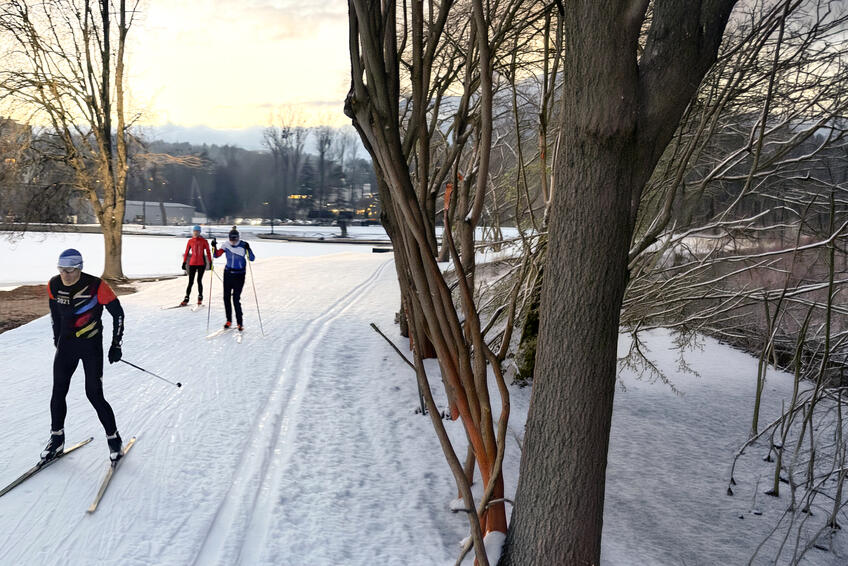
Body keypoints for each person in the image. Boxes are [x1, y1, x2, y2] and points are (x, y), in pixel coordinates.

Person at [43, 249, 125, 462]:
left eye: (70, 270)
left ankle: (114, 438)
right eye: (61, 269)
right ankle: (57, 439)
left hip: (91, 348)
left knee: (94, 394)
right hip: (66, 347)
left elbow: (118, 314)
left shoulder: (97, 285)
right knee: (58, 392)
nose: (65, 274)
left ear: (79, 268)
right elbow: (55, 315)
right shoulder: (54, 284)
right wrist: (57, 339)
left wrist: (116, 344)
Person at [211, 226, 255, 331]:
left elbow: (252, 258)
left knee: (235, 299)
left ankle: (240, 323)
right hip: (228, 274)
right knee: (226, 298)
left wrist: (249, 249)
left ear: (238, 238)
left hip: (239, 275)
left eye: (235, 239)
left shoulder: (243, 245)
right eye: (231, 239)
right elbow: (216, 255)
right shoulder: (226, 245)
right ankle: (229, 320)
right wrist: (213, 246)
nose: (233, 241)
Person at [181, 224, 212, 306]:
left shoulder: (204, 241)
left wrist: (210, 262)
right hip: (192, 263)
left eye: (197, 231)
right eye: (195, 231)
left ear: (200, 232)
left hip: (201, 264)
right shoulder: (190, 241)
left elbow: (208, 252)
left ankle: (200, 297)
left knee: (199, 281)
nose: (196, 232)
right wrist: (184, 262)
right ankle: (186, 298)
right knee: (190, 282)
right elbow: (187, 252)